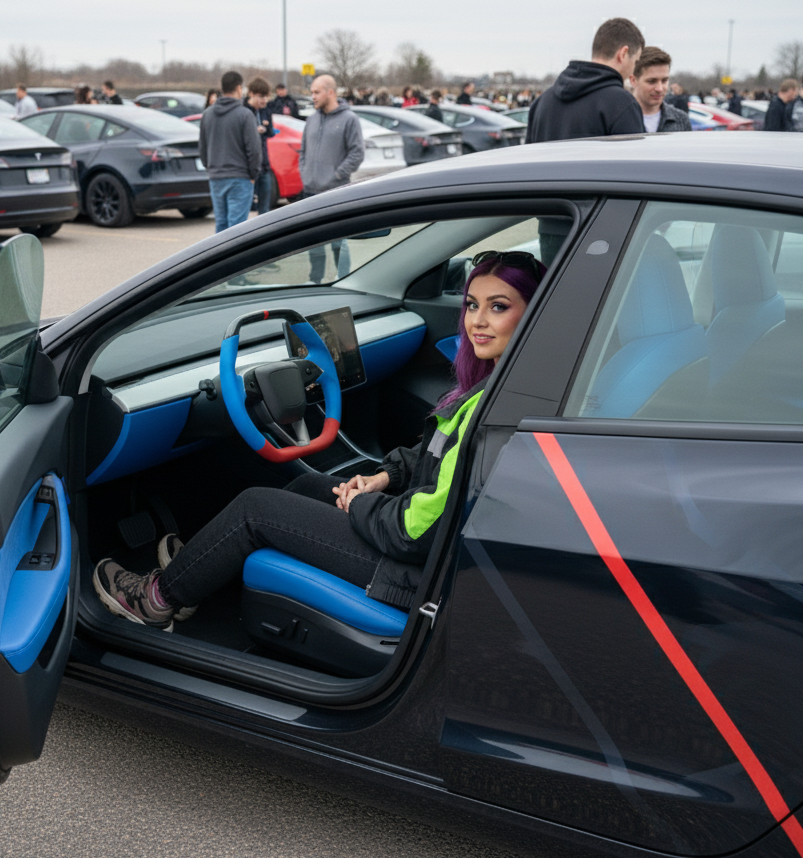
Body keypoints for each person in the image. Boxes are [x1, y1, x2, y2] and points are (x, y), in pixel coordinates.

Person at [92, 250, 546, 629]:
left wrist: (360, 505)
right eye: (472, 305)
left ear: (535, 310)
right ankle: (200, 570)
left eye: (499, 307)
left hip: (416, 571)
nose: (477, 322)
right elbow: (432, 454)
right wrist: (381, 478)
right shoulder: (502, 384)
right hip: (430, 549)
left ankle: (157, 600)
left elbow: (416, 530)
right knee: (313, 486)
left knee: (255, 507)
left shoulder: (495, 410)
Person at [527, 16, 645, 266]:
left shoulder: (542, 103)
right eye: (636, 60)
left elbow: (528, 169)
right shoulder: (620, 103)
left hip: (550, 231)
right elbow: (637, 177)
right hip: (602, 233)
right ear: (623, 53)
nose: (633, 70)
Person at [301, 74, 364, 281]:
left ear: (330, 92)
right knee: (313, 243)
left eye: (316, 92)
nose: (313, 97)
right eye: (311, 92)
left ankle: (342, 281)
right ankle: (314, 280)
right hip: (310, 192)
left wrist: (336, 175)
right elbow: (303, 152)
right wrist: (305, 173)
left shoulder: (349, 119)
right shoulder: (311, 119)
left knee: (338, 243)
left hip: (337, 193)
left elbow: (357, 153)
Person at [198, 70, 262, 233]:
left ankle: (221, 258)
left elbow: (203, 148)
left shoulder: (207, 114)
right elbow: (254, 150)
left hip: (216, 177)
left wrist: (211, 168)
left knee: (221, 225)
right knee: (237, 229)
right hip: (239, 178)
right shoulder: (245, 115)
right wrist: (253, 175)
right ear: (239, 89)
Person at [629, 47, 691, 133]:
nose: (660, 88)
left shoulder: (681, 120)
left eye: (664, 81)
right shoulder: (616, 119)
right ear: (633, 81)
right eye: (651, 81)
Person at [243, 77, 276, 216]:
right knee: (244, 207)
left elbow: (271, 131)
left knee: (265, 210)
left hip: (264, 165)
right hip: (247, 168)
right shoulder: (243, 111)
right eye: (261, 96)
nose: (265, 100)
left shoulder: (265, 111)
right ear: (251, 94)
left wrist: (266, 130)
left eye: (267, 97)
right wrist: (253, 131)